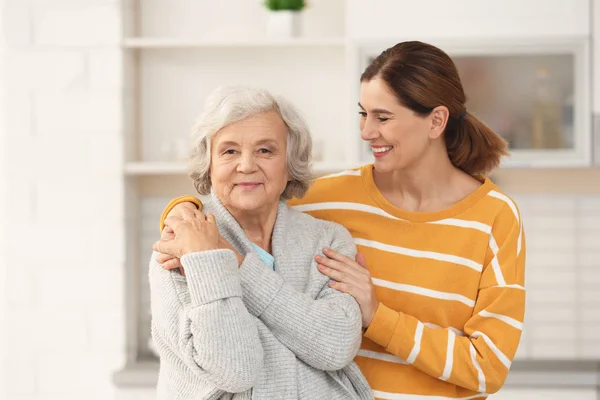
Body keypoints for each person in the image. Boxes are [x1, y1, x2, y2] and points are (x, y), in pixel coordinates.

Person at [160, 41, 526, 400]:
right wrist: (182, 212)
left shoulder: (494, 217)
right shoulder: (331, 197)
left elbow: (487, 368)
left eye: (383, 117)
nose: (367, 131)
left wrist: (377, 316)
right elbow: (250, 193)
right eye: (363, 114)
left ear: (436, 121)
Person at [149, 86, 373, 399]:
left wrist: (228, 262)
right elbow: (233, 368)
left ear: (289, 163)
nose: (246, 165)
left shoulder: (328, 239)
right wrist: (302, 331)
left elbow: (334, 347)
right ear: (209, 164)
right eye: (229, 151)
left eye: (265, 150)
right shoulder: (178, 242)